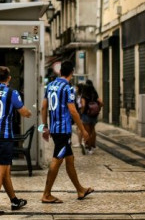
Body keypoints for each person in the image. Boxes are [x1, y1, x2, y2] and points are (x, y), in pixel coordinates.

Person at [40, 60, 94, 204]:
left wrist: (44, 127)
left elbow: (43, 108)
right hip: (63, 130)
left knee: (70, 160)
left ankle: (80, 190)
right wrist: (82, 130)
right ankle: (46, 194)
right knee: (57, 160)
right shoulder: (68, 88)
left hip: (55, 129)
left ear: (60, 71)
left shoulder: (50, 85)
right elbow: (72, 110)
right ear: (72, 72)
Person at [0, 66, 32, 216]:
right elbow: (22, 111)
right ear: (9, 78)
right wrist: (29, 113)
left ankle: (14, 201)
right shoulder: (12, 93)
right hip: (4, 137)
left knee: (5, 171)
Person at [80, 80, 103, 154]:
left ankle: (88, 147)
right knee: (92, 130)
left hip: (86, 114)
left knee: (87, 132)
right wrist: (98, 109)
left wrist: (81, 112)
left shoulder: (84, 95)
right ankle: (92, 146)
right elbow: (101, 103)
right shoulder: (95, 94)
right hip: (94, 115)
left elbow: (83, 105)